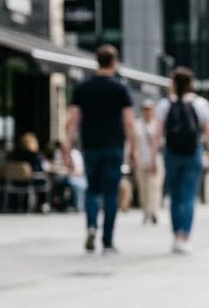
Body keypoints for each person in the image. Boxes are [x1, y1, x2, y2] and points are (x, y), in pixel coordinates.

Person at [64, 45, 137, 253]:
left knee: (92, 190)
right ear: (114, 62)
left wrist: (68, 145)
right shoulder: (120, 88)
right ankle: (107, 239)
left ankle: (91, 226)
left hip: (90, 146)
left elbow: (73, 120)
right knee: (111, 194)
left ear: (97, 61)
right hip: (114, 146)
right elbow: (130, 122)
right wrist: (132, 148)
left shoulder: (82, 88)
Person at [155, 67, 209, 253]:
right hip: (193, 152)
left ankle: (176, 236)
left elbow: (157, 134)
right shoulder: (201, 104)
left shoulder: (165, 104)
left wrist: (152, 157)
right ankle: (185, 236)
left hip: (172, 153)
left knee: (175, 196)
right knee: (189, 196)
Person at [133, 100, 164, 225]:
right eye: (145, 109)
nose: (147, 112)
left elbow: (162, 143)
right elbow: (132, 142)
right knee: (143, 188)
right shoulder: (137, 125)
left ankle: (153, 212)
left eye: (149, 109)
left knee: (155, 187)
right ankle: (146, 212)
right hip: (141, 160)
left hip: (156, 161)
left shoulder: (157, 124)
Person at [50, 141, 87, 211]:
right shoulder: (58, 153)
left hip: (75, 178)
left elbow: (79, 171)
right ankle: (60, 205)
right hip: (61, 176)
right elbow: (54, 166)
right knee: (57, 183)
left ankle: (76, 205)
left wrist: (69, 172)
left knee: (73, 183)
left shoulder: (76, 154)